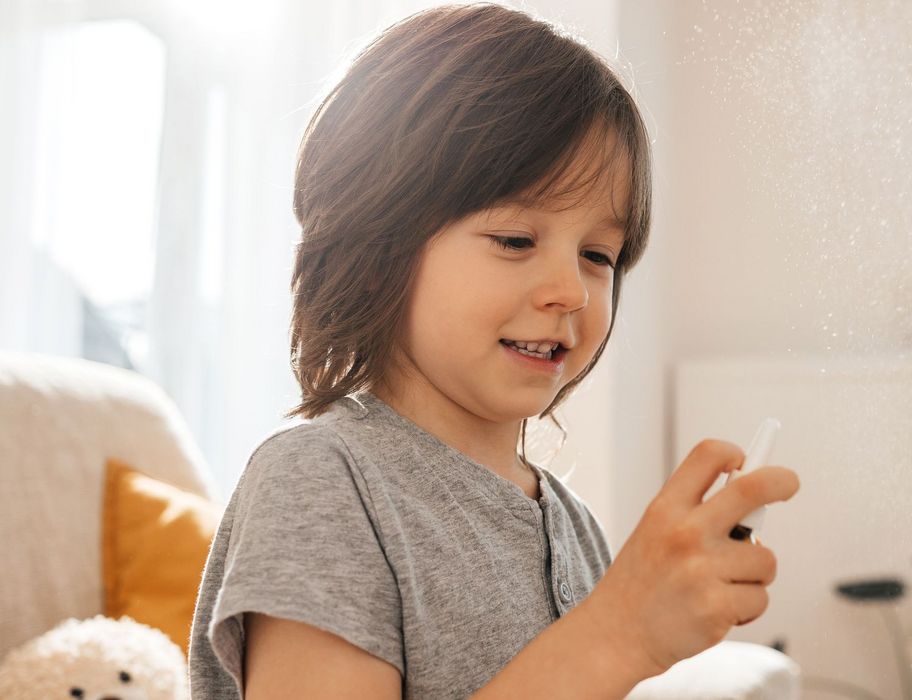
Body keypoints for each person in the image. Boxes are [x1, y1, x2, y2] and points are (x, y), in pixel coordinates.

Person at [187, 3, 801, 698]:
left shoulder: (574, 527)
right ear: (375, 248)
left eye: (598, 255)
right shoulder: (321, 480)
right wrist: (621, 632)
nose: (571, 290)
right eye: (515, 240)